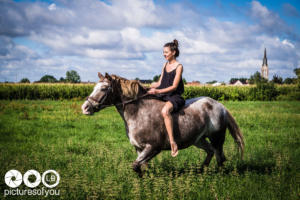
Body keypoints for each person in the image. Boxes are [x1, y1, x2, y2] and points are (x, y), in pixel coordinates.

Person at [148, 39, 185, 157]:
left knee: (165, 111)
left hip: (174, 96)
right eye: (163, 52)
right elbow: (159, 83)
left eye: (166, 52)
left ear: (173, 52)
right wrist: (145, 87)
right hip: (163, 94)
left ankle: (172, 142)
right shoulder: (165, 65)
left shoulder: (179, 66)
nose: (164, 54)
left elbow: (174, 86)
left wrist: (157, 91)